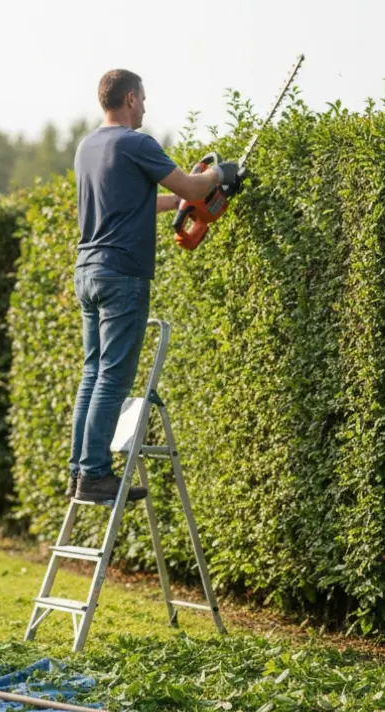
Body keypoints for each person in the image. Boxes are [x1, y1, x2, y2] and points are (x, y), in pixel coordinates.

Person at [66, 68, 240, 503]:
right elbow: (191, 184)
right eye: (142, 99)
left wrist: (188, 200)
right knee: (113, 377)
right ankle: (94, 475)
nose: (145, 106)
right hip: (122, 273)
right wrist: (222, 175)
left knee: (92, 372)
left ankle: (78, 471)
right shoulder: (136, 142)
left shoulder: (88, 147)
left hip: (88, 269)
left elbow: (155, 199)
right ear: (129, 99)